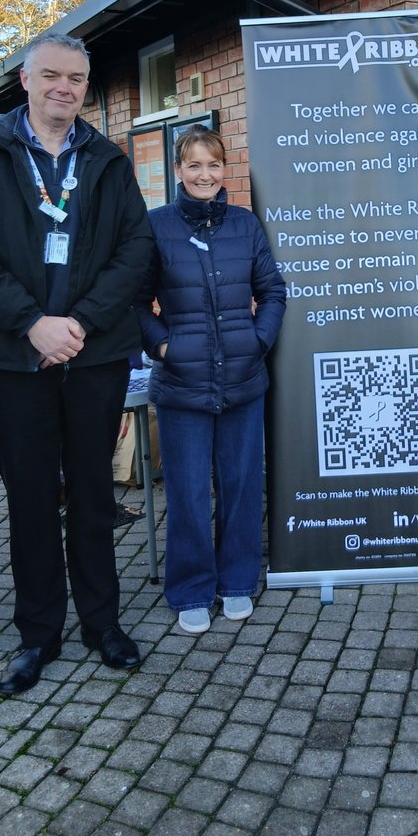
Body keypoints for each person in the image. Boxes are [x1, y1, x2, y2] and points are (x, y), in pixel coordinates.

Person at [0, 32, 154, 695]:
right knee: (31, 499)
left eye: (77, 79)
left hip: (95, 354)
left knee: (92, 493)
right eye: (53, 76)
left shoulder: (107, 159)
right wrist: (32, 323)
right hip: (12, 357)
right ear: (26, 80)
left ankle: (101, 623)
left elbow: (136, 246)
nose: (65, 88)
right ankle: (39, 633)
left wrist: (81, 322)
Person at [134, 127, 286, 634]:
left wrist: (258, 340)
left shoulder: (245, 225)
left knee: (243, 487)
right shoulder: (155, 226)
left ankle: (238, 581)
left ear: (226, 170)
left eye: (214, 165)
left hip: (243, 379)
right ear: (178, 171)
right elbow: (135, 301)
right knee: (189, 492)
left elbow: (273, 291)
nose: (205, 175)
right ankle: (192, 588)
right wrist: (163, 346)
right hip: (181, 384)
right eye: (194, 165)